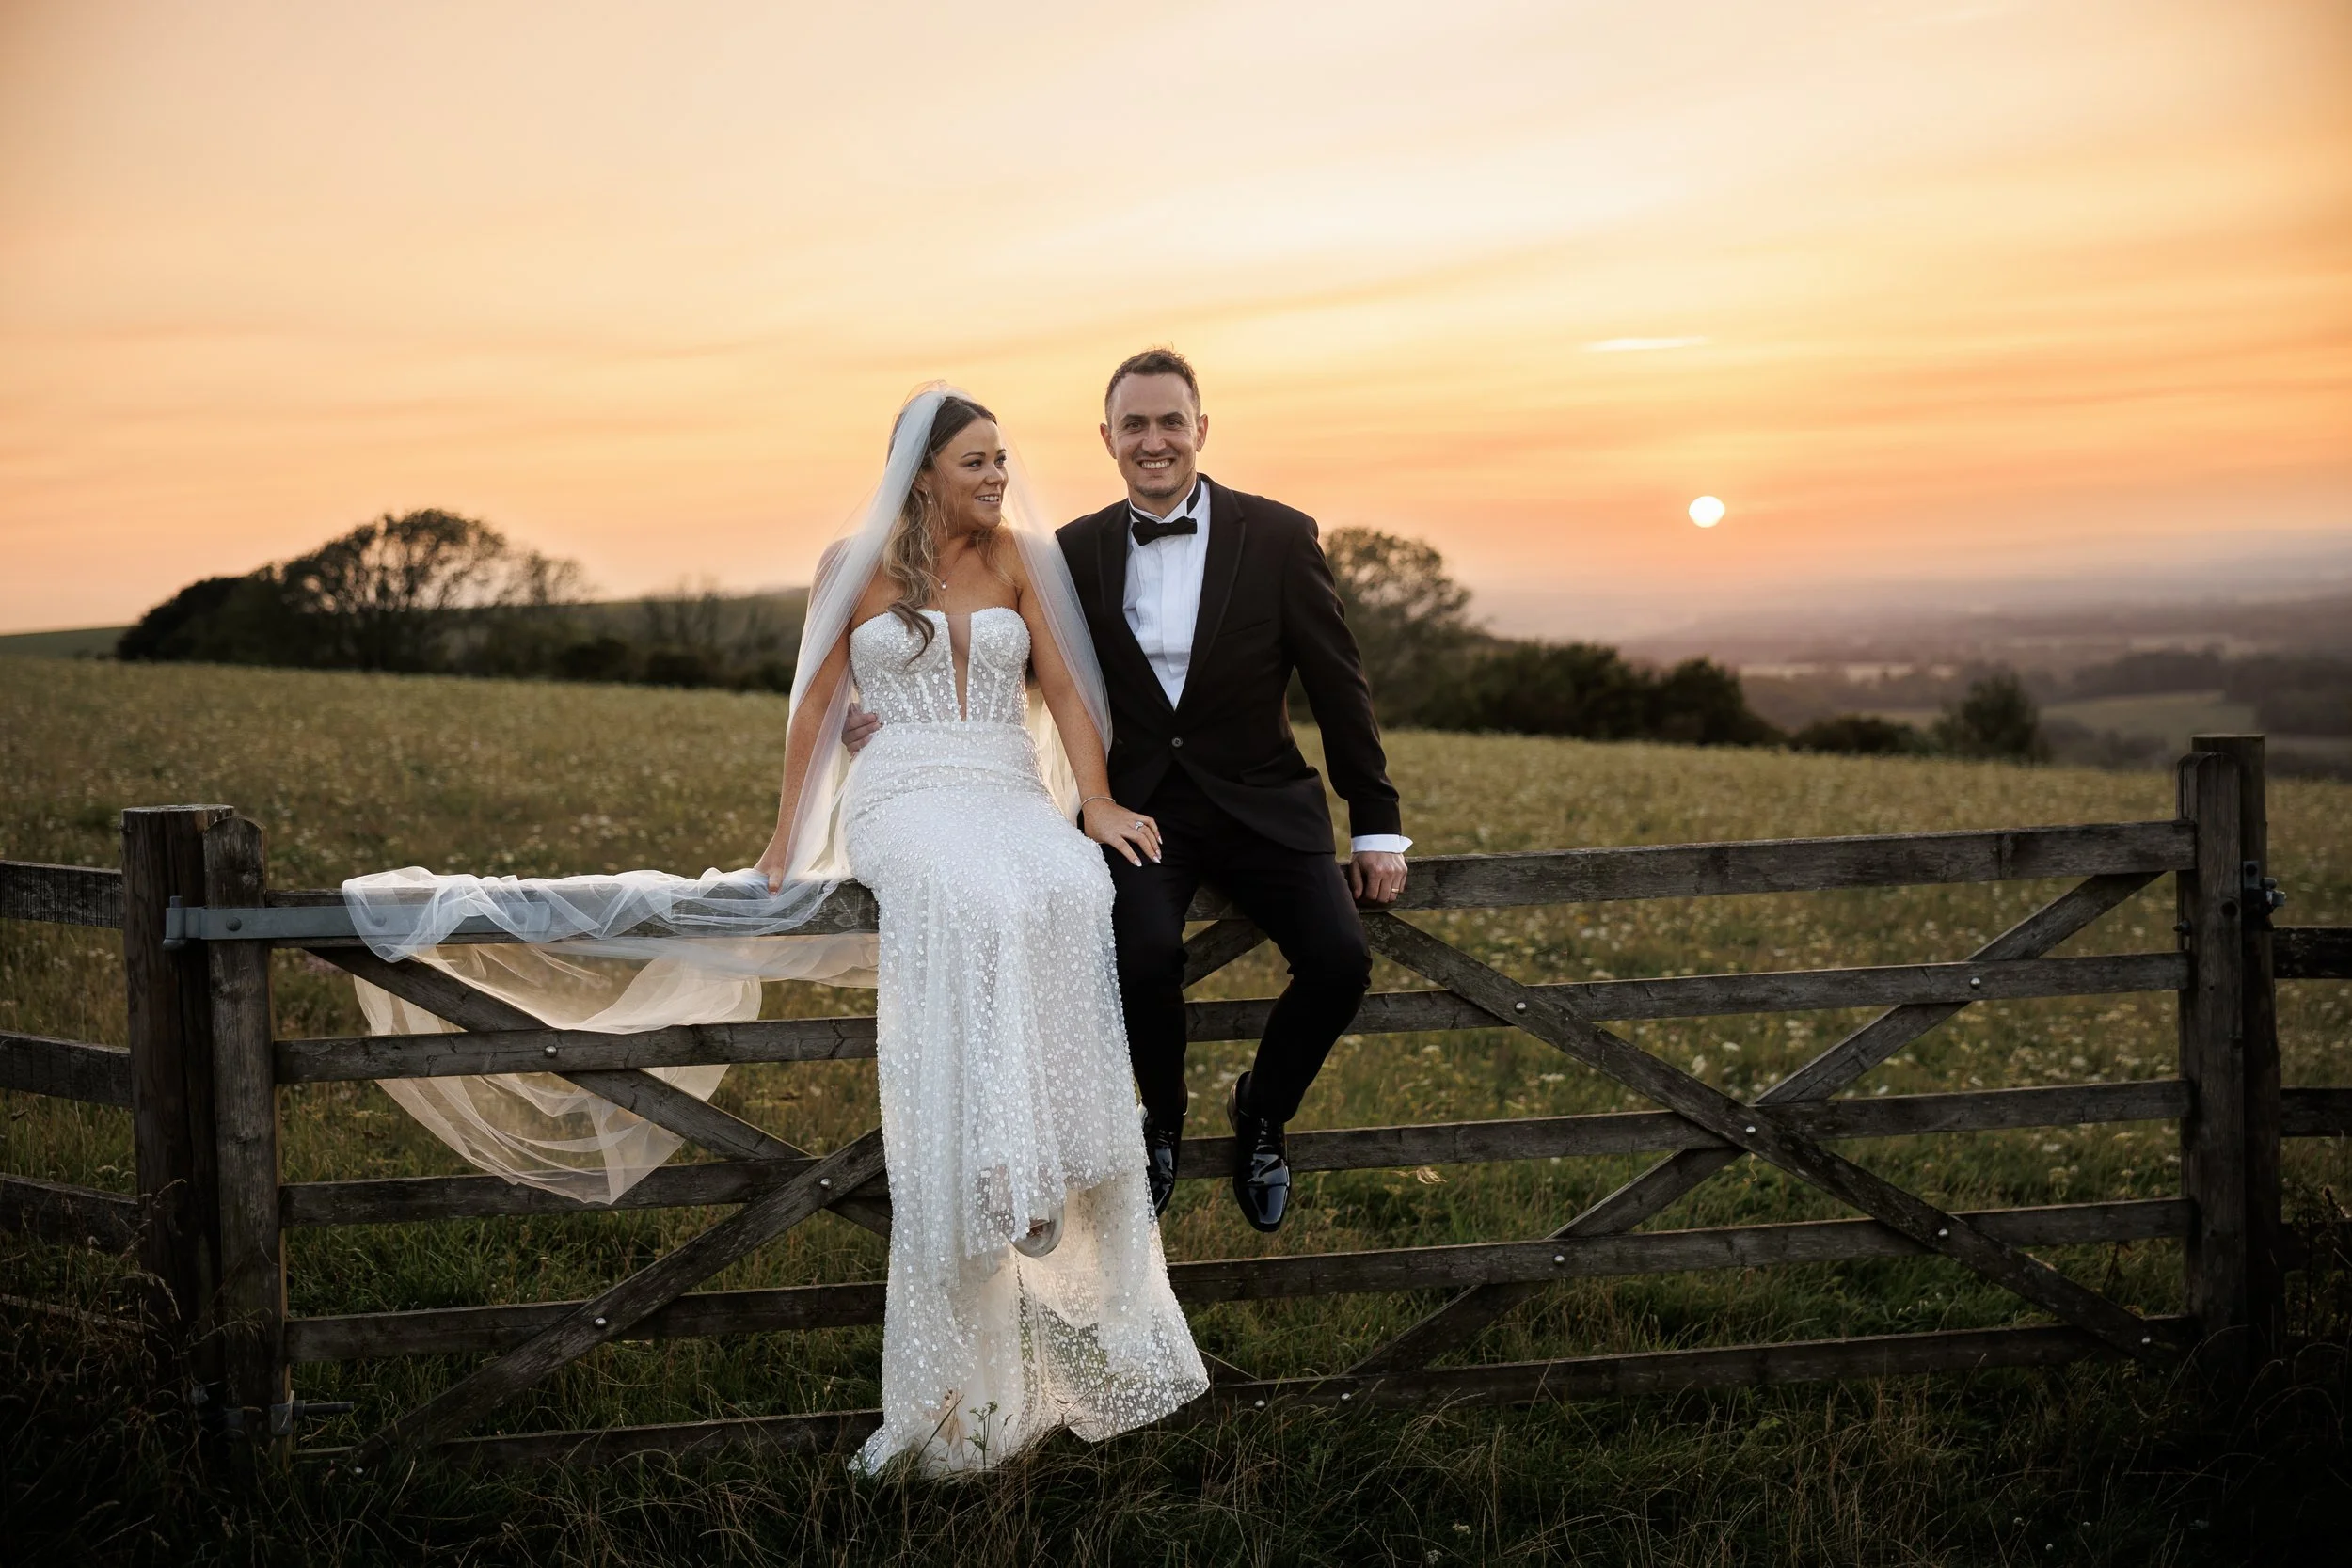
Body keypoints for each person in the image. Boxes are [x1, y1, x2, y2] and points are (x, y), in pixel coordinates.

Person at [345, 387, 1207, 1478]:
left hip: (1001, 781)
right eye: (977, 461)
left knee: (1068, 882)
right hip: (904, 794)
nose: (999, 476)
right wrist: (781, 843)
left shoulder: (1019, 561)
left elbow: (1072, 695)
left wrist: (1096, 802)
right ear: (922, 473)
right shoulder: (851, 565)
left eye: (1002, 458)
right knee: (968, 894)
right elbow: (815, 705)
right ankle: (996, 1169)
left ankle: (1056, 1156)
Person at [850, 349, 1407, 1234]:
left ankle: (1263, 1113)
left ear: (1201, 429)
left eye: (1171, 421)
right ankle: (1163, 1120)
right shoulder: (1067, 553)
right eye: (1135, 425)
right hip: (1142, 810)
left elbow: (1340, 686)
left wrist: (1376, 826)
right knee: (1140, 960)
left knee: (1341, 961)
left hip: (1266, 803)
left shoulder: (1278, 535)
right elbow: (1001, 661)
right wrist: (877, 709)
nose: (1155, 441)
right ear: (1107, 438)